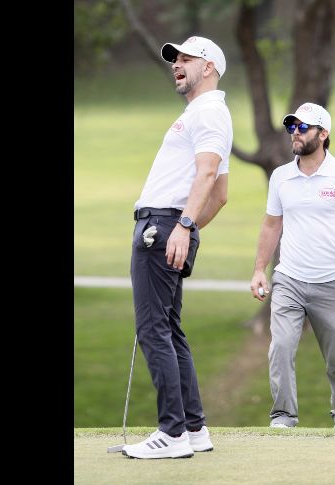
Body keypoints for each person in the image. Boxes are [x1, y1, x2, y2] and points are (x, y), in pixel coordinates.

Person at [122, 36, 232, 459]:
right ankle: (193, 428)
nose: (176, 64)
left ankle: (172, 434)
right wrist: (184, 228)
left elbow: (208, 177)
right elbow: (220, 195)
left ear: (209, 67)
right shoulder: (202, 113)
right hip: (168, 225)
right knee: (169, 329)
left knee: (154, 329)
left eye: (187, 58)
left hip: (162, 225)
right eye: (175, 59)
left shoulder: (209, 112)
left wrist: (182, 227)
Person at [249, 102, 335, 429]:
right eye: (292, 127)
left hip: (331, 281)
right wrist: (260, 269)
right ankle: (283, 417)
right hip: (288, 279)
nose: (295, 132)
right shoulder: (281, 176)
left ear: (323, 133)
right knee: (280, 348)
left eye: (303, 127)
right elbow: (271, 225)